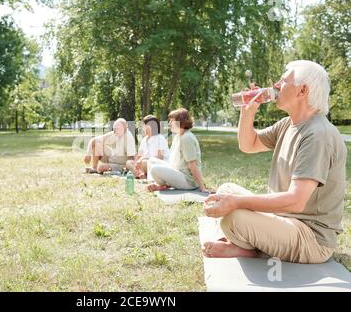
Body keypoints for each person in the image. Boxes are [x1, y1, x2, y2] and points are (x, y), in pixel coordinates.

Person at [202, 60, 347, 264]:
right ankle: (252, 244)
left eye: (283, 80)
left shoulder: (318, 135)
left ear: (302, 90)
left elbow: (296, 201)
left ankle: (251, 250)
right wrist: (248, 112)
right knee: (226, 190)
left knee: (234, 218)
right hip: (283, 221)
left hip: (311, 238)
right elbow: (248, 144)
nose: (276, 85)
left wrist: (236, 203)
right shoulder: (288, 123)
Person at [147, 108, 209, 192]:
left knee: (155, 168)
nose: (169, 124)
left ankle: (162, 186)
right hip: (177, 171)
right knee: (151, 160)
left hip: (187, 180)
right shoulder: (178, 136)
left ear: (179, 121)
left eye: (171, 121)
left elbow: (192, 165)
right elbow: (172, 161)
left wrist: (202, 188)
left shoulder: (186, 138)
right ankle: (161, 185)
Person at [125, 115, 169, 179]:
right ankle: (141, 174)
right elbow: (139, 156)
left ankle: (142, 175)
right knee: (129, 162)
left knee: (143, 162)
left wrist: (141, 160)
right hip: (145, 164)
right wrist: (137, 162)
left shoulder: (160, 138)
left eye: (143, 125)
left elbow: (160, 158)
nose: (142, 128)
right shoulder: (145, 139)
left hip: (158, 164)